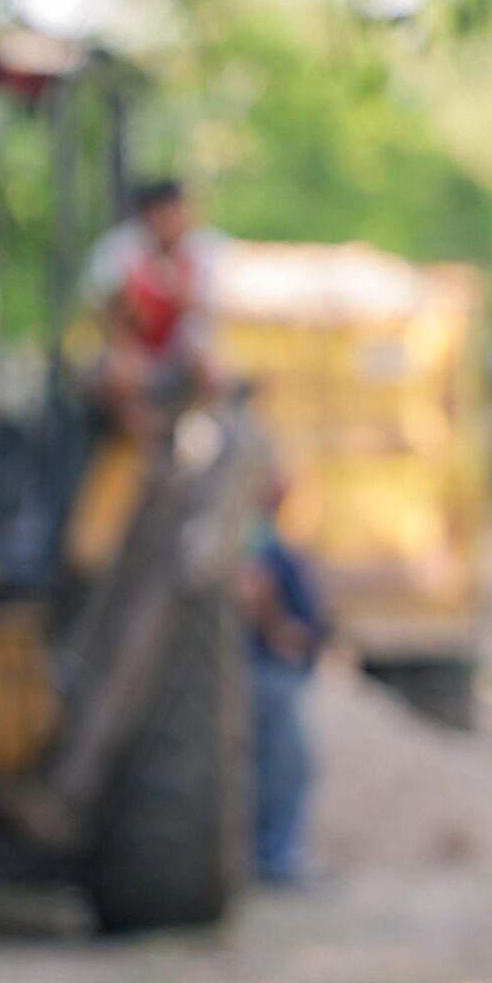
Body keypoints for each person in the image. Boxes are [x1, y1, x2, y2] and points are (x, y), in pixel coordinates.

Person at [238, 464, 327, 886]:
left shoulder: (269, 541)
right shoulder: (255, 544)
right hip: (267, 672)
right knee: (281, 767)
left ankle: (272, 855)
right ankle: (272, 858)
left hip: (276, 672)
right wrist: (278, 631)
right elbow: (253, 588)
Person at [83, 176, 225, 435]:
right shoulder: (119, 251)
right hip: (134, 352)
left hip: (183, 354)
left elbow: (208, 311)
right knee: (118, 375)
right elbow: (105, 311)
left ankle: (200, 431)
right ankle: (146, 438)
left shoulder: (203, 249)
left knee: (213, 373)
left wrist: (176, 291)